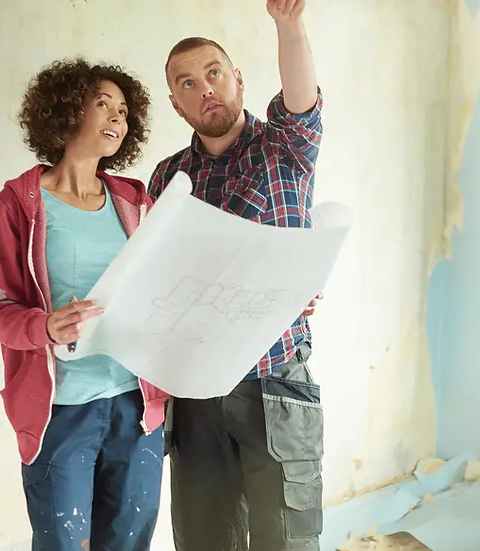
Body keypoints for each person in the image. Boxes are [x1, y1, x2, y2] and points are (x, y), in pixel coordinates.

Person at [146, 1, 324, 550]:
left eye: (214, 73)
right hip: (196, 386)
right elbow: (158, 277)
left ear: (238, 80)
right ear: (177, 105)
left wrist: (289, 25)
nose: (206, 90)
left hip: (273, 377)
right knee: (204, 536)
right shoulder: (168, 177)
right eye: (189, 84)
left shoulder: (283, 148)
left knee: (284, 536)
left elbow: (302, 102)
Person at [0, 58, 170, 551]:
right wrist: (46, 327)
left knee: (129, 543)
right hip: (60, 411)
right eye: (102, 104)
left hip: (137, 405)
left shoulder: (136, 201)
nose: (116, 118)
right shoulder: (19, 203)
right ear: (65, 112)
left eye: (124, 110)